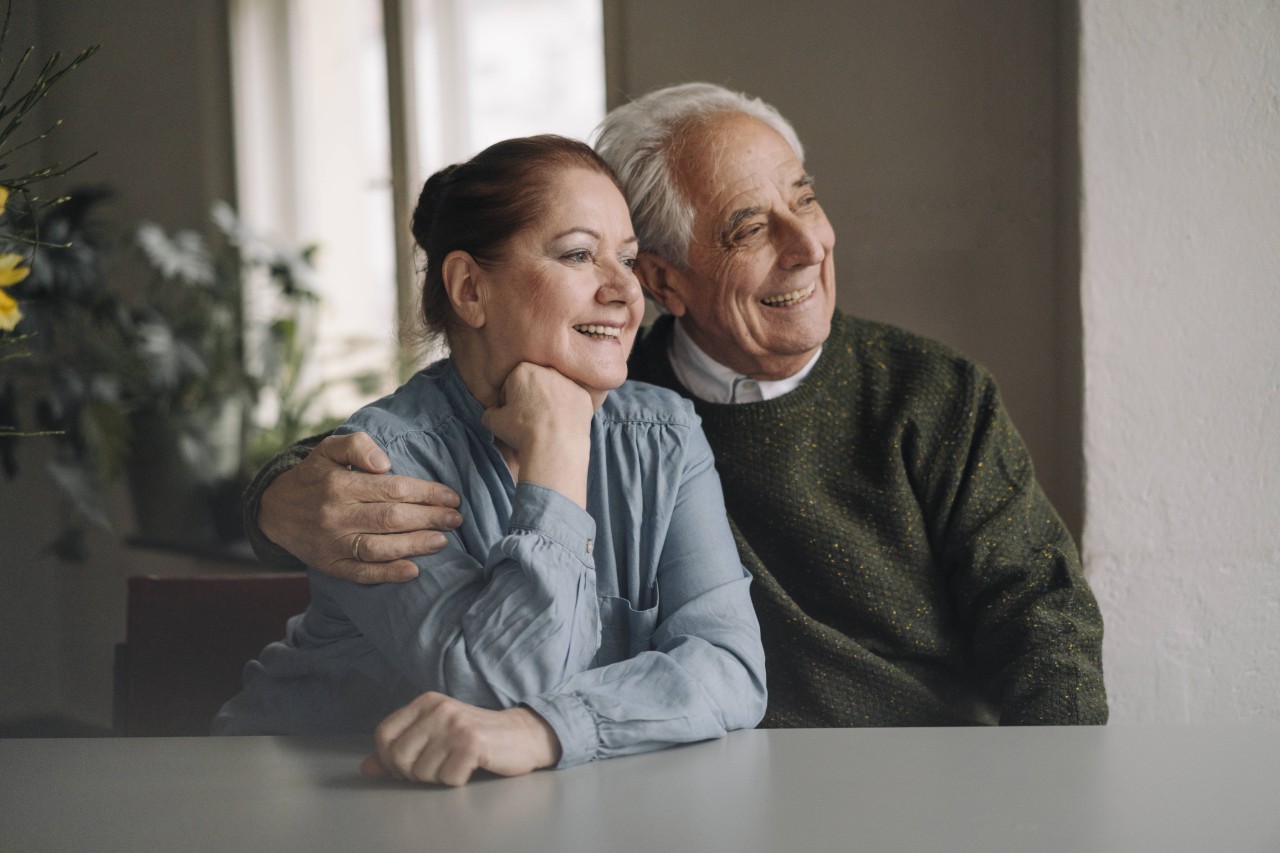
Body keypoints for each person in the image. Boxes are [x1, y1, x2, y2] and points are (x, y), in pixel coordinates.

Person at [245, 83, 1108, 727]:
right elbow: (411, 437)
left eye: (804, 198)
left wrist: (1056, 801)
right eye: (748, 227)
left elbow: (1044, 620)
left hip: (907, 778)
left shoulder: (933, 395)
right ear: (667, 281)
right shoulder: (626, 384)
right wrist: (277, 489)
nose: (811, 245)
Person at [214, 135, 767, 786]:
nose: (625, 289)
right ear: (471, 289)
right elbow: (499, 685)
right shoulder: (378, 463)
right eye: (579, 255)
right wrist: (558, 453)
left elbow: (730, 665)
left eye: (627, 257)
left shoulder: (664, 436)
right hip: (293, 800)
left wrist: (544, 731)